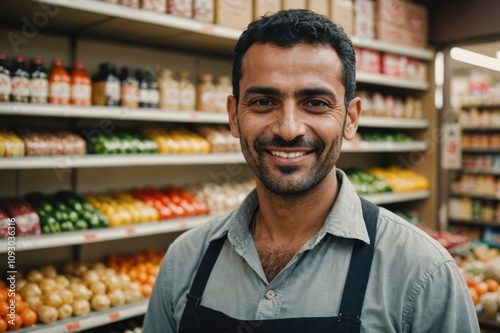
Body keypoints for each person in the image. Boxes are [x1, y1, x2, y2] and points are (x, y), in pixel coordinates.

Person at [143, 9, 480, 333]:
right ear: (234, 116)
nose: (289, 129)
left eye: (316, 103)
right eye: (263, 102)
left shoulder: (423, 273)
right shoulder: (185, 260)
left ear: (351, 119)